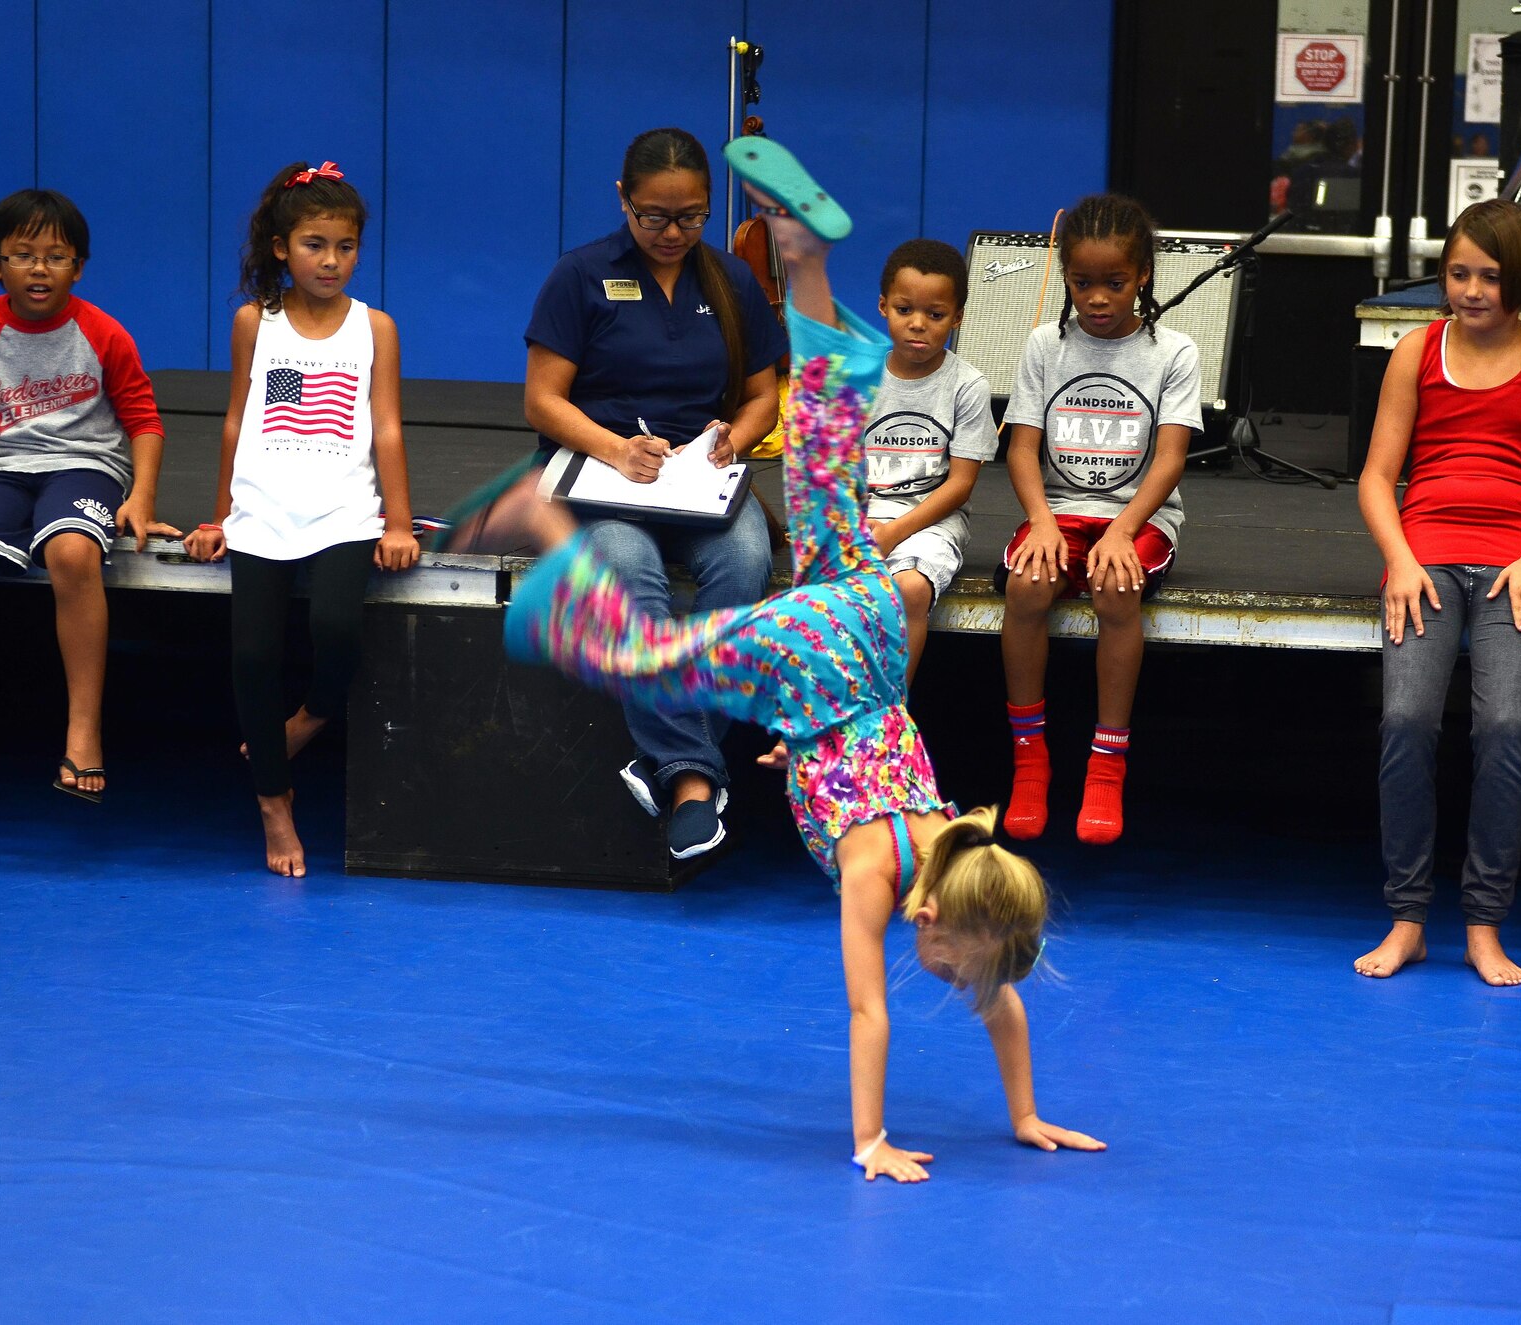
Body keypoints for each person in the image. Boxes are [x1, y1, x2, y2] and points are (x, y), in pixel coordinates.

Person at [446, 139, 1102, 1182]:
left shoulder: (967, 843)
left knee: (824, 447)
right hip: (813, 662)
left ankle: (801, 259)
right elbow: (865, 1009)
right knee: (645, 650)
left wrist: (1025, 1114)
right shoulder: (877, 875)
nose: (951, 980)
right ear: (929, 916)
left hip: (872, 630)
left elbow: (999, 991)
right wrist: (871, 1140)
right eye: (948, 961)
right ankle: (541, 522)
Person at [523, 127, 788, 860]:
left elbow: (764, 395)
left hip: (700, 482)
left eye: (692, 217)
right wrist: (615, 447)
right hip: (603, 479)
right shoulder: (579, 276)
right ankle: (695, 781)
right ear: (622, 199)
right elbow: (543, 401)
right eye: (653, 217)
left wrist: (735, 434)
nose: (672, 233)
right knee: (629, 569)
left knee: (745, 563)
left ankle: (668, 763)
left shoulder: (730, 280)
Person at [1354, 198, 1521, 986]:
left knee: (1502, 728)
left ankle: (1485, 923)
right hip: (1424, 559)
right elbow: (1376, 476)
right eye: (1458, 273)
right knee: (1404, 718)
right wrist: (1398, 558)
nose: (1470, 290)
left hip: (1516, 566)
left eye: (1489, 277)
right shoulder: (1416, 351)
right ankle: (1408, 917)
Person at [183, 161, 420, 879]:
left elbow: (386, 429)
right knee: (253, 656)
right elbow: (235, 421)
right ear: (282, 247)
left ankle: (310, 716)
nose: (332, 261)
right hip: (262, 510)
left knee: (338, 630)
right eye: (316, 244)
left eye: (346, 246)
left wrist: (399, 522)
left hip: (344, 511)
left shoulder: (374, 326)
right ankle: (274, 802)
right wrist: (220, 514)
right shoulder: (257, 321)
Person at [0, 189, 171, 800]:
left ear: (78, 266)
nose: (40, 268)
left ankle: (83, 733)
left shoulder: (102, 332)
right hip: (4, 467)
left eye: (56, 256)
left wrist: (142, 498)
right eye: (23, 255)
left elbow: (144, 421)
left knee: (72, 553)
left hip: (86, 467)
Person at [996, 194, 1202, 846]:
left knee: (1116, 588)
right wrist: (1042, 521)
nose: (1098, 298)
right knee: (1027, 586)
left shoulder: (1173, 351)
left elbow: (1170, 458)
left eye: (1114, 283)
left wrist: (1120, 529)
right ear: (1065, 278)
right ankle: (1030, 760)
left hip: (1135, 515)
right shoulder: (1042, 345)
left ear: (1143, 274)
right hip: (1059, 511)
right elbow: (1021, 447)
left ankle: (1106, 762)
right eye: (1082, 283)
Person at [862, 238, 996, 681]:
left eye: (935, 315)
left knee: (910, 589)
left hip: (933, 519)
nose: (918, 325)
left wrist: (895, 531)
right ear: (883, 306)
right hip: (865, 516)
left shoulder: (967, 385)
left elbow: (960, 484)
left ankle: (889, 709)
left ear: (957, 317)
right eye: (905, 310)